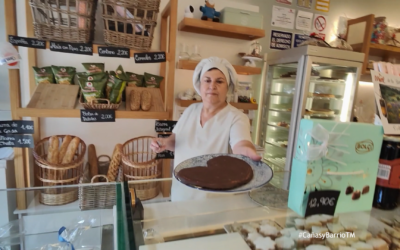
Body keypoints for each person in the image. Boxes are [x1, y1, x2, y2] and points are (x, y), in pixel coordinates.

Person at [150, 57, 261, 201]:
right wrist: (164, 143)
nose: (212, 86)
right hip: (180, 194)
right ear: (199, 84)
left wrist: (247, 152)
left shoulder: (236, 117)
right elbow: (176, 141)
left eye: (219, 81)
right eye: (207, 80)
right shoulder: (190, 110)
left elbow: (241, 143)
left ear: (228, 87)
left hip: (213, 201)